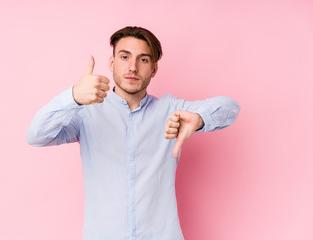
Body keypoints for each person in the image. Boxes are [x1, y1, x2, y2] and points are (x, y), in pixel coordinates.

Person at [27, 26, 240, 240]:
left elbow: (230, 108)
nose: (133, 67)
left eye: (143, 60)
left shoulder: (171, 111)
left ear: (154, 69)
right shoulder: (86, 113)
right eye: (124, 56)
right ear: (112, 63)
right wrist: (72, 97)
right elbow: (36, 135)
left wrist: (200, 119)